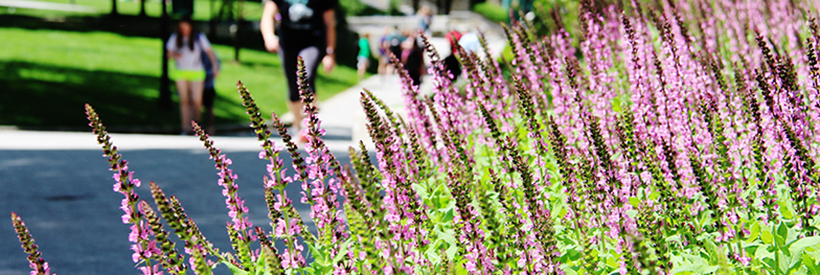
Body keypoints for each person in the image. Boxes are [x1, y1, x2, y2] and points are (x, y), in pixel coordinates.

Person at [260, 0, 336, 135]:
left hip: (313, 41)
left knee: (306, 76)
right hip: (288, 43)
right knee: (293, 85)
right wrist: (269, 37)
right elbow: (268, 15)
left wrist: (329, 53)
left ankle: (310, 126)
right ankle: (298, 124)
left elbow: (329, 23)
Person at [166, 15, 219, 135]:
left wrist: (214, 65)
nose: (184, 30)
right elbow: (168, 54)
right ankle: (186, 127)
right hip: (181, 72)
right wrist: (175, 55)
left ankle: (196, 125)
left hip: (197, 72)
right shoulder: (176, 38)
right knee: (184, 101)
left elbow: (209, 52)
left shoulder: (199, 37)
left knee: (196, 101)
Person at [201, 44, 220, 134]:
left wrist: (207, 76)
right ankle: (199, 125)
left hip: (208, 84)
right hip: (198, 83)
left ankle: (210, 127)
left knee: (209, 106)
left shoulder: (212, 54)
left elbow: (216, 68)